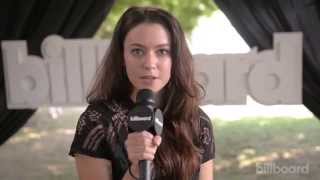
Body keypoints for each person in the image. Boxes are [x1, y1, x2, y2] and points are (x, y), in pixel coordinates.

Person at [69, 6, 215, 180]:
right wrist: (137, 169)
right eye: (137, 51)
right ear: (122, 57)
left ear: (175, 59)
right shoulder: (96, 121)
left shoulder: (198, 121)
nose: (149, 63)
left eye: (162, 51)